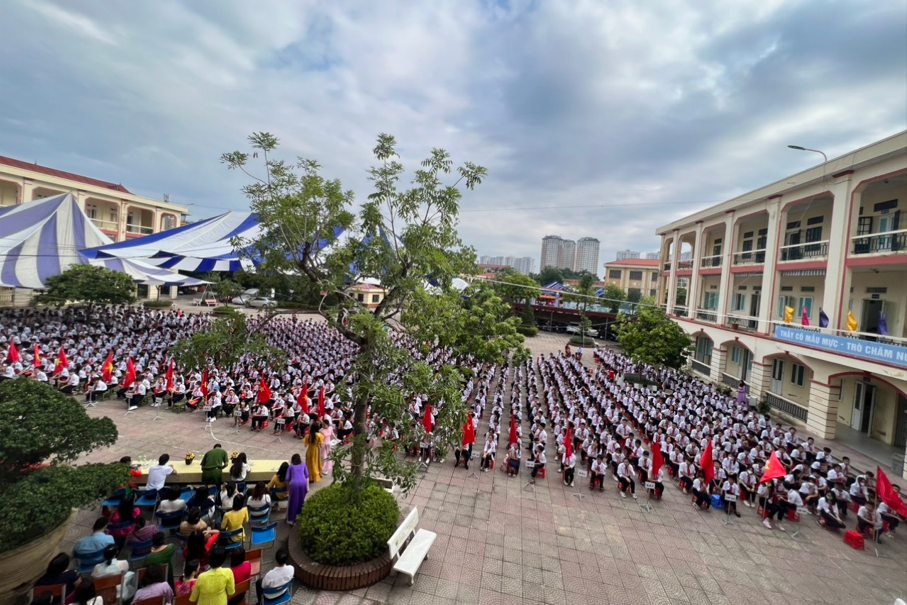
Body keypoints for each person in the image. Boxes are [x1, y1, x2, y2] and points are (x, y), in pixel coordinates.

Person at [286, 453, 309, 526]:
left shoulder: (291, 466)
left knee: (293, 502)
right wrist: (307, 486)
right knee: (301, 501)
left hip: (294, 484)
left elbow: (287, 478)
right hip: (303, 484)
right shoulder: (303, 464)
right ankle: (299, 515)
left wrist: (289, 487)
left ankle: (291, 519)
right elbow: (307, 476)